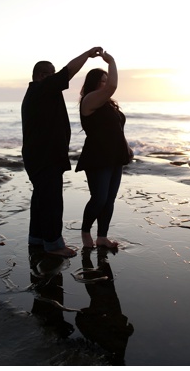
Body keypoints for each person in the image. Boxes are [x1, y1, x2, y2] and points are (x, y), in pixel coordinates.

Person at [22, 47, 104, 257]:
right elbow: (69, 71)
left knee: (41, 198)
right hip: (45, 157)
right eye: (52, 73)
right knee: (51, 200)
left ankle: (37, 238)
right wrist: (87, 55)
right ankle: (54, 244)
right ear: (43, 76)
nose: (57, 77)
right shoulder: (43, 88)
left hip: (39, 156)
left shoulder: (38, 94)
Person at [76, 51, 132, 249]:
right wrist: (112, 61)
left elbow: (118, 129)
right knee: (99, 198)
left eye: (107, 80)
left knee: (109, 199)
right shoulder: (89, 101)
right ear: (94, 84)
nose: (107, 84)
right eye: (103, 81)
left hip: (115, 156)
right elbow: (113, 86)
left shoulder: (109, 105)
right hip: (97, 157)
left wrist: (126, 148)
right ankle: (85, 232)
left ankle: (102, 237)